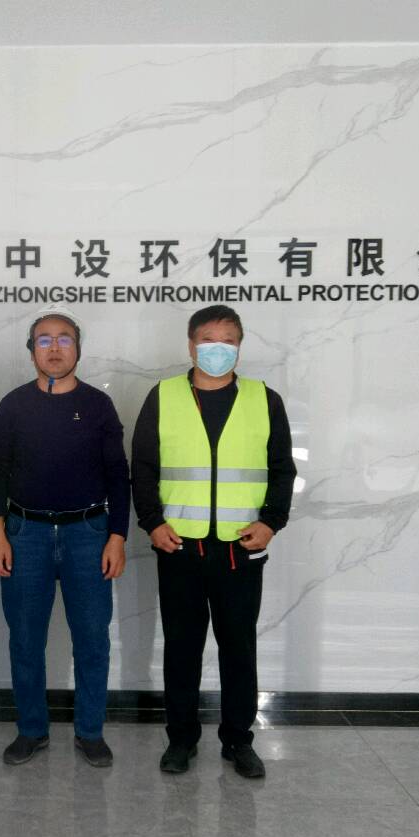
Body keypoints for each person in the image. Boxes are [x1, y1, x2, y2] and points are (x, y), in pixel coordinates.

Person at [131, 304, 296, 778]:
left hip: (241, 549)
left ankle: (238, 740)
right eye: (208, 340)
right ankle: (181, 740)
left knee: (239, 649)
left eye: (228, 341)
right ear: (191, 345)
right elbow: (143, 467)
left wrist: (271, 522)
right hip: (179, 547)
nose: (217, 349)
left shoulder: (265, 399)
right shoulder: (163, 396)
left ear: (240, 347)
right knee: (181, 649)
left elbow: (282, 470)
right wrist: (152, 522)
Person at [0, 307, 130, 767]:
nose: (54, 348)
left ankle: (90, 731)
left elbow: (118, 474)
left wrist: (117, 536)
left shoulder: (98, 406)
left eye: (64, 339)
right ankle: (31, 729)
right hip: (24, 533)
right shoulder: (13, 405)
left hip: (88, 534)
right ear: (31, 350)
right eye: (44, 340)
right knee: (25, 639)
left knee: (92, 638)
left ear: (78, 349)